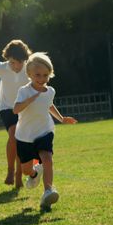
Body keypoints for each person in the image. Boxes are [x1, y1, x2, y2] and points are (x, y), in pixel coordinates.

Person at [13, 52, 77, 211]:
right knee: (25, 169)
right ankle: (34, 174)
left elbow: (49, 105)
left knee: (47, 159)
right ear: (29, 74)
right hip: (25, 136)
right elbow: (15, 110)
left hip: (44, 131)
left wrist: (61, 118)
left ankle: (48, 191)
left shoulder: (50, 91)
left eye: (45, 75)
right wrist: (29, 100)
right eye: (37, 75)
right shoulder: (24, 91)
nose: (42, 79)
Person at [0, 40, 32, 188]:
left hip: (24, 109)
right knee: (13, 135)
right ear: (7, 59)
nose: (15, 66)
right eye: (12, 62)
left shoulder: (30, 67)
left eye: (19, 62)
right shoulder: (2, 67)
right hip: (6, 107)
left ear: (24, 60)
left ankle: (19, 174)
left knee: (21, 141)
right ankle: (11, 171)